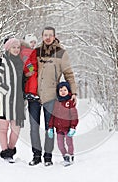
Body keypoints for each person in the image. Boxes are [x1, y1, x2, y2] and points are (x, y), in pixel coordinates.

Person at [26, 26, 78, 166]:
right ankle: (36, 155)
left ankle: (47, 156)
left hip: (51, 97)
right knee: (34, 127)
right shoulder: (36, 51)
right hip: (35, 97)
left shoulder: (61, 53)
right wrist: (30, 72)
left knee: (50, 128)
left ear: (54, 36)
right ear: (42, 36)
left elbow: (68, 74)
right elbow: (29, 66)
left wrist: (73, 92)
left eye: (50, 35)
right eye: (45, 35)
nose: (48, 37)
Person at [0, 38, 25, 162]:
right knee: (3, 128)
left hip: (18, 101)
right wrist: (4, 89)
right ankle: (6, 153)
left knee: (16, 128)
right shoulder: (0, 61)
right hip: (4, 100)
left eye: (18, 47)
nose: (16, 50)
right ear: (8, 48)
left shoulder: (21, 62)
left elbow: (27, 77)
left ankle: (10, 149)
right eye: (13, 47)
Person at [48, 81, 79, 165]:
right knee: (60, 145)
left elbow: (74, 115)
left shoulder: (70, 102)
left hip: (68, 128)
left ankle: (71, 156)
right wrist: (50, 127)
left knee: (69, 143)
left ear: (68, 91)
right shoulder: (57, 103)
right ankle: (65, 156)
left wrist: (73, 127)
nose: (62, 92)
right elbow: (53, 116)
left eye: (65, 90)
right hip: (58, 129)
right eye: (60, 90)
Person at [20, 34, 39, 100]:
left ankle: (30, 92)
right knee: (33, 79)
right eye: (31, 42)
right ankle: (31, 92)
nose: (33, 44)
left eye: (34, 43)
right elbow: (26, 61)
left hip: (32, 68)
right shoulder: (26, 50)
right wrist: (31, 69)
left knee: (32, 79)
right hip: (28, 68)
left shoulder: (32, 51)